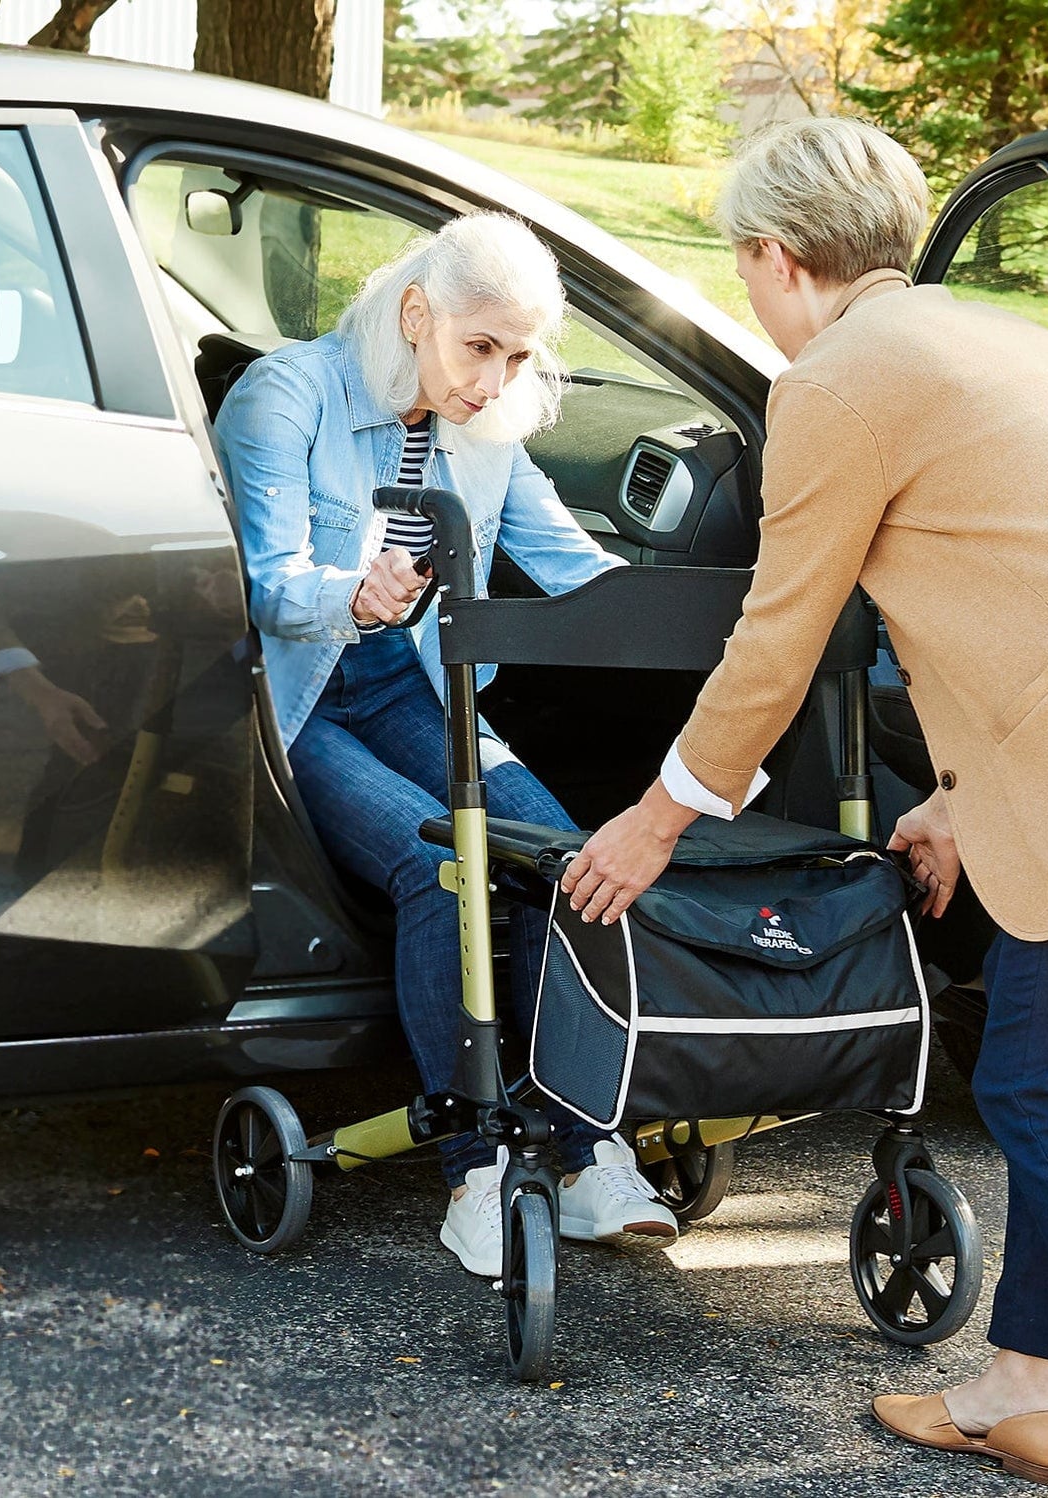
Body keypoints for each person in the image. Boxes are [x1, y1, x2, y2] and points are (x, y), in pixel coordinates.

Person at [558, 119, 1048, 1496]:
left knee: (1043, 1086)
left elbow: (776, 638)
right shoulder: (974, 333)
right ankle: (1025, 1389)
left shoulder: (835, 381)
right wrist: (951, 796)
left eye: (740, 261)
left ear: (771, 257)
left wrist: (658, 818)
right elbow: (1021, 577)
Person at [215, 212, 679, 1279]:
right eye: (480, 348)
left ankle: (580, 1149)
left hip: (408, 688)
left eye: (520, 356)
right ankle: (474, 1170)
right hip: (303, 698)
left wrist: (743, 629)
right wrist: (354, 590)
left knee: (569, 857)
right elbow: (267, 582)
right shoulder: (291, 394)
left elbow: (579, 574)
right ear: (418, 314)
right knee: (441, 868)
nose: (495, 379)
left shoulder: (486, 428)